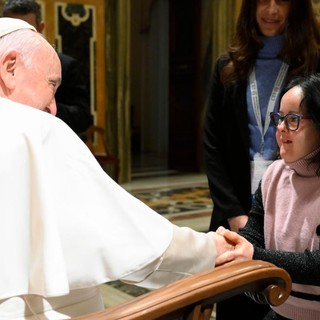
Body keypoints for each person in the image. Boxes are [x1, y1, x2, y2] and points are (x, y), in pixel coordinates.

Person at [0, 17, 237, 320]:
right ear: (10, 68)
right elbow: (137, 243)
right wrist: (211, 250)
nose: (54, 108)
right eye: (52, 85)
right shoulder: (34, 129)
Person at [203, 0, 320, 318]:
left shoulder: (313, 62)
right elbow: (212, 146)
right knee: (236, 307)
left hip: (299, 198)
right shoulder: (228, 65)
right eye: (263, 0)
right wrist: (236, 216)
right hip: (238, 205)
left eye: (281, 0)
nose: (272, 9)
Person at [216, 73, 320, 320]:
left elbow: (316, 265)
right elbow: (254, 233)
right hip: (279, 309)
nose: (282, 127)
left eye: (293, 119)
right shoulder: (274, 174)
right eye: (279, 118)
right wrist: (232, 243)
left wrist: (253, 254)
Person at [2, 0, 93, 135]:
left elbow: (82, 116)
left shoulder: (66, 65)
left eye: (26, 30)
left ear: (40, 28)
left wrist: (40, 105)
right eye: (14, 29)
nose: (19, 38)